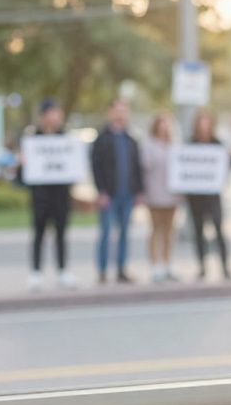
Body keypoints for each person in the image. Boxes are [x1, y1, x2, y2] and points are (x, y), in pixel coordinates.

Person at [17, 98, 77, 291]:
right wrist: (22, 163)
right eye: (52, 113)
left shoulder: (66, 137)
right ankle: (35, 273)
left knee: (61, 234)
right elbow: (21, 177)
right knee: (38, 234)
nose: (55, 117)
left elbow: (74, 168)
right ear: (44, 116)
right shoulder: (32, 138)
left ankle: (62, 271)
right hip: (40, 196)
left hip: (60, 195)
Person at [90, 98, 144, 284]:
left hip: (127, 194)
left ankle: (121, 269)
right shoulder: (102, 138)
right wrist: (101, 191)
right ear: (111, 112)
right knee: (106, 232)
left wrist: (139, 191)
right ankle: (103, 271)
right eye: (118, 110)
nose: (121, 114)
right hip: (109, 195)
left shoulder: (131, 139)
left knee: (125, 233)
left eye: (124, 110)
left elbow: (137, 167)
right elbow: (95, 167)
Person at [184, 110, 231, 281]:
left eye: (207, 122)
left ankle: (225, 267)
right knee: (198, 232)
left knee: (219, 230)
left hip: (213, 196)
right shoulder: (190, 144)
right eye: (201, 122)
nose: (204, 126)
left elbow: (228, 165)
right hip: (195, 196)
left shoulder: (217, 144)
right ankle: (202, 267)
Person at [140, 112, 181, 283]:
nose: (165, 126)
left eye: (167, 123)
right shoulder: (149, 144)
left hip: (171, 196)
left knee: (169, 232)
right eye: (162, 123)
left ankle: (167, 264)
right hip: (154, 194)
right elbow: (145, 167)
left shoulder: (174, 145)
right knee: (155, 230)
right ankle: (155, 266)